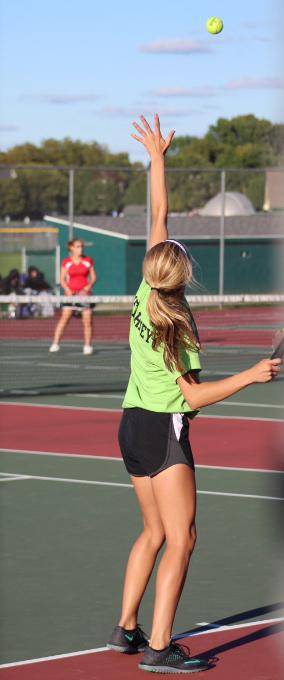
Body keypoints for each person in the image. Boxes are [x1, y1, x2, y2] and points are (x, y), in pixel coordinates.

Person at [107, 114, 282, 674]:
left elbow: (157, 214)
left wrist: (157, 159)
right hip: (162, 430)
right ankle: (159, 647)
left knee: (152, 531)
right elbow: (192, 398)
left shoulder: (145, 287)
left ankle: (125, 628)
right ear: (180, 274)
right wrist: (251, 376)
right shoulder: (175, 325)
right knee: (182, 539)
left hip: (131, 424)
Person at [49, 239, 96, 354]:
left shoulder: (88, 261)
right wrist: (67, 289)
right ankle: (55, 344)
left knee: (87, 321)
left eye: (82, 246)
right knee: (64, 319)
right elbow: (62, 279)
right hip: (70, 296)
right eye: (78, 246)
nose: (81, 249)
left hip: (85, 296)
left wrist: (87, 288)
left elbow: (93, 277)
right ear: (71, 248)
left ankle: (87, 346)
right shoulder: (66, 262)